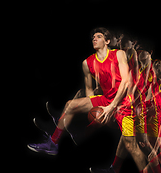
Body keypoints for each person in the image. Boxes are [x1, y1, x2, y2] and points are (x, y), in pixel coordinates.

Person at [27, 27, 129, 155]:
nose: (94, 39)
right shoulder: (87, 62)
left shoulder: (119, 54)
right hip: (107, 99)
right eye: (93, 37)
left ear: (107, 41)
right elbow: (89, 89)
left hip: (124, 101)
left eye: (98, 36)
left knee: (133, 141)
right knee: (71, 104)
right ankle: (53, 143)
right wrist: (92, 110)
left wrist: (112, 106)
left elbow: (126, 81)